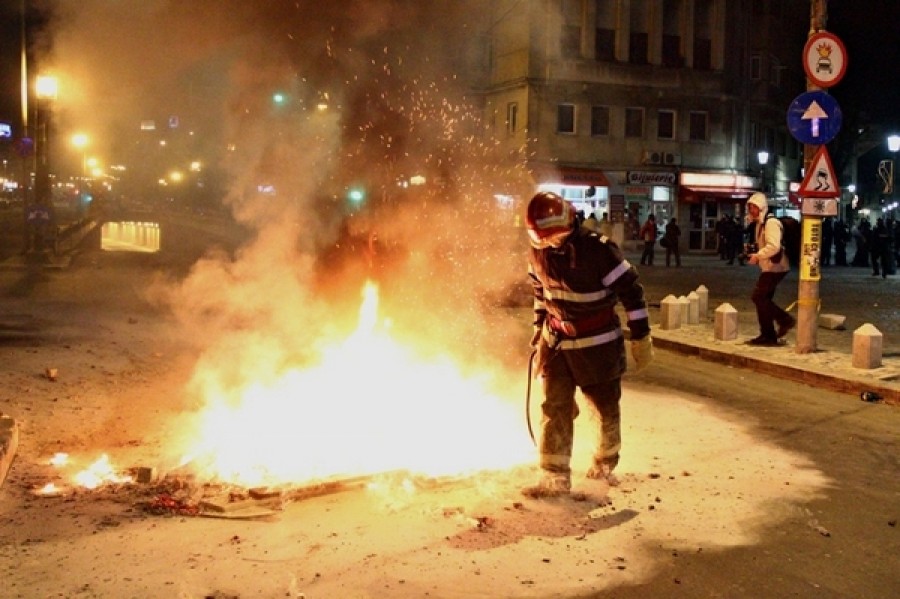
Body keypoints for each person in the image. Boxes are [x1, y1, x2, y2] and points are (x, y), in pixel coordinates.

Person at [522, 191, 653, 497]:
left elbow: (632, 292)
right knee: (554, 407)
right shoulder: (538, 250)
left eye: (556, 236)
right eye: (544, 238)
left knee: (603, 407)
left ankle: (604, 463)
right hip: (556, 343)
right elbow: (541, 293)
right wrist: (538, 327)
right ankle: (554, 476)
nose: (550, 243)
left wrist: (641, 335)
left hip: (598, 347)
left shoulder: (599, 251)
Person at [745, 192, 795, 346]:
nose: (751, 210)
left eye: (754, 207)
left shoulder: (771, 223)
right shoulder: (760, 223)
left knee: (758, 297)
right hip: (769, 267)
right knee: (763, 300)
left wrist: (758, 256)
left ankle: (784, 320)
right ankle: (768, 335)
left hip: (776, 267)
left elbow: (774, 246)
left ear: (761, 207)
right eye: (750, 207)